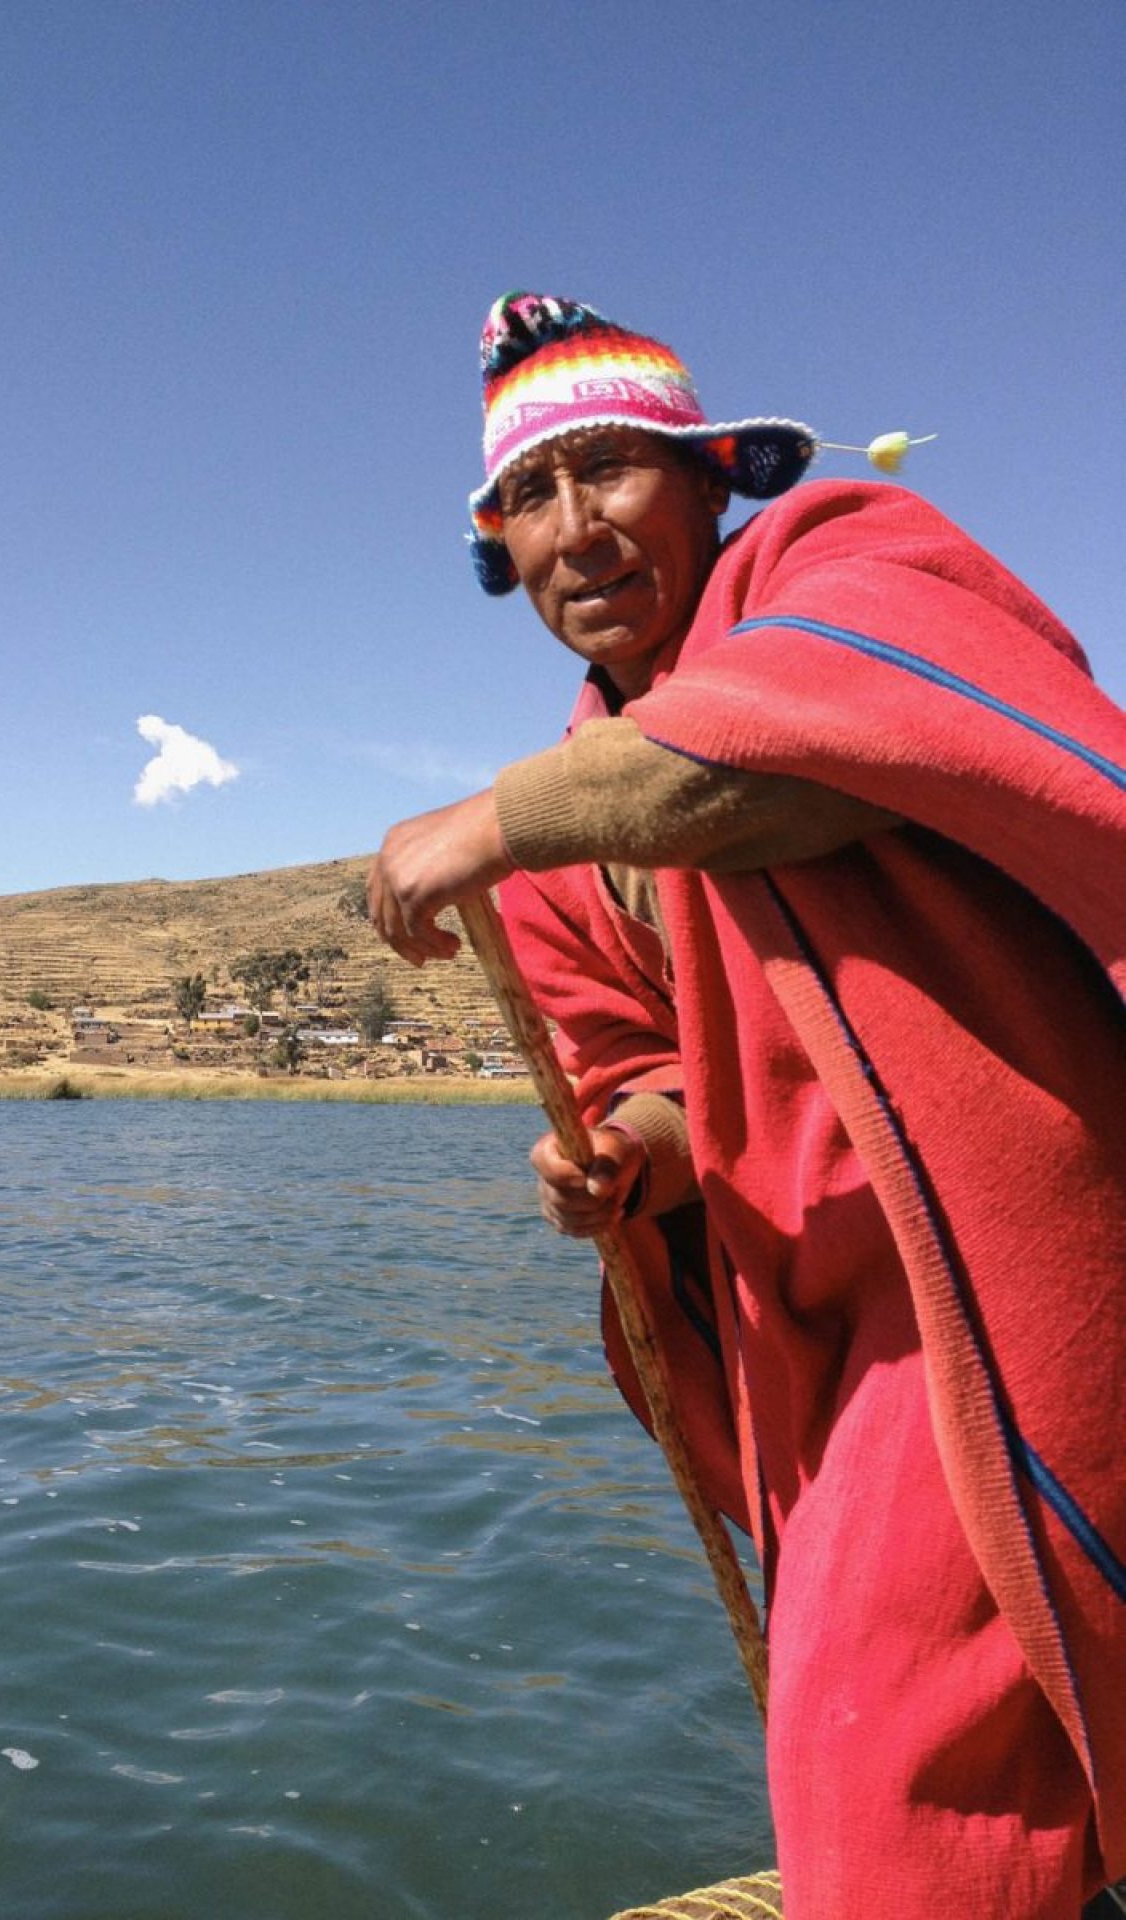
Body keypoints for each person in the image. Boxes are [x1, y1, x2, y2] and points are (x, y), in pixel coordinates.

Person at [368, 291, 1126, 1919]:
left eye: (617, 471)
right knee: (859, 1718)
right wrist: (621, 1167)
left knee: (897, 1770)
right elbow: (649, 1078)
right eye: (535, 498)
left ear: (714, 480)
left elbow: (819, 742)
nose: (579, 531)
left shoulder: (845, 565)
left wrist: (497, 820)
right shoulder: (577, 840)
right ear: (501, 546)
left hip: (1006, 1278)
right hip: (820, 1346)